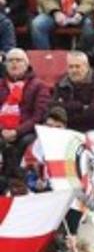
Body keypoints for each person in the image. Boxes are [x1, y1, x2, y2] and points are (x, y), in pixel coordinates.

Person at [0, 49, 52, 181]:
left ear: (27, 64)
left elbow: (39, 115)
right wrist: (2, 130)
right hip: (2, 130)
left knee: (26, 142)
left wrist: (17, 131)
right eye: (10, 60)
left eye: (18, 60)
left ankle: (16, 180)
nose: (14, 64)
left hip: (26, 131)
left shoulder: (39, 86)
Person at [50, 51, 94, 142]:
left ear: (86, 67)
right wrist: (80, 107)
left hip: (91, 129)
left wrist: (66, 113)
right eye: (71, 67)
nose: (74, 70)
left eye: (78, 66)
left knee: (86, 144)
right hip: (64, 129)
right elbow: (53, 107)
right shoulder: (61, 83)